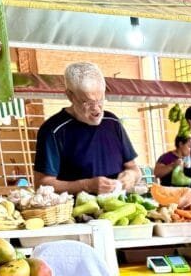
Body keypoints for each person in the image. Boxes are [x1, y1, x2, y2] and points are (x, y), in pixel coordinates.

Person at [34, 62, 140, 195]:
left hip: (119, 209)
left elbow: (134, 169)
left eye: (100, 100)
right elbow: (41, 185)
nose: (96, 109)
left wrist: (131, 176)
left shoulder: (112, 122)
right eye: (88, 102)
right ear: (70, 96)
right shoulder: (53, 130)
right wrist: (86, 186)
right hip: (76, 213)